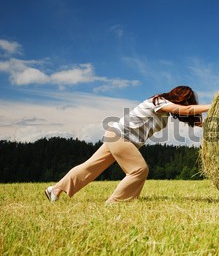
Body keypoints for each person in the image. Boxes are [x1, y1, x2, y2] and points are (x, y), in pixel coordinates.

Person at [45, 86, 210, 203]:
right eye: (187, 101)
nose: (188, 104)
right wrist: (213, 105)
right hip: (120, 136)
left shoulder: (165, 109)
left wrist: (203, 122)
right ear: (180, 98)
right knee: (139, 170)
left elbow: (185, 113)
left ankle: (55, 189)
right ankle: (116, 203)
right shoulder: (158, 102)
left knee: (91, 167)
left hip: (117, 136)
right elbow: (186, 110)